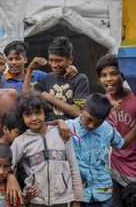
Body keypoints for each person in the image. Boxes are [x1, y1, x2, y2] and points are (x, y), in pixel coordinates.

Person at [11, 91, 84, 207]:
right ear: (22, 117)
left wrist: (77, 198)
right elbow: (8, 164)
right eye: (28, 114)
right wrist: (11, 179)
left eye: (38, 112)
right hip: (36, 201)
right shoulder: (21, 142)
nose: (34, 118)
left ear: (45, 113)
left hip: (63, 200)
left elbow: (73, 166)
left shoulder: (62, 133)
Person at [65, 93, 136, 207]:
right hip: (80, 196)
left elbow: (121, 144)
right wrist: (57, 122)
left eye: (98, 123)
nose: (92, 125)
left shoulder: (107, 129)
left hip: (104, 192)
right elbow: (43, 130)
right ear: (81, 109)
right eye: (89, 120)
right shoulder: (67, 127)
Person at [96, 54, 136, 207]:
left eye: (114, 73)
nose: (109, 79)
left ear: (124, 76)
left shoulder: (134, 99)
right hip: (115, 172)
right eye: (103, 75)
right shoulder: (103, 102)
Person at [25, 36, 89, 121]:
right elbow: (25, 96)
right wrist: (29, 69)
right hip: (50, 129)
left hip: (72, 130)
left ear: (69, 60)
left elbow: (78, 112)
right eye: (51, 60)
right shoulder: (48, 78)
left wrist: (50, 98)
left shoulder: (80, 79)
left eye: (58, 61)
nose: (54, 65)